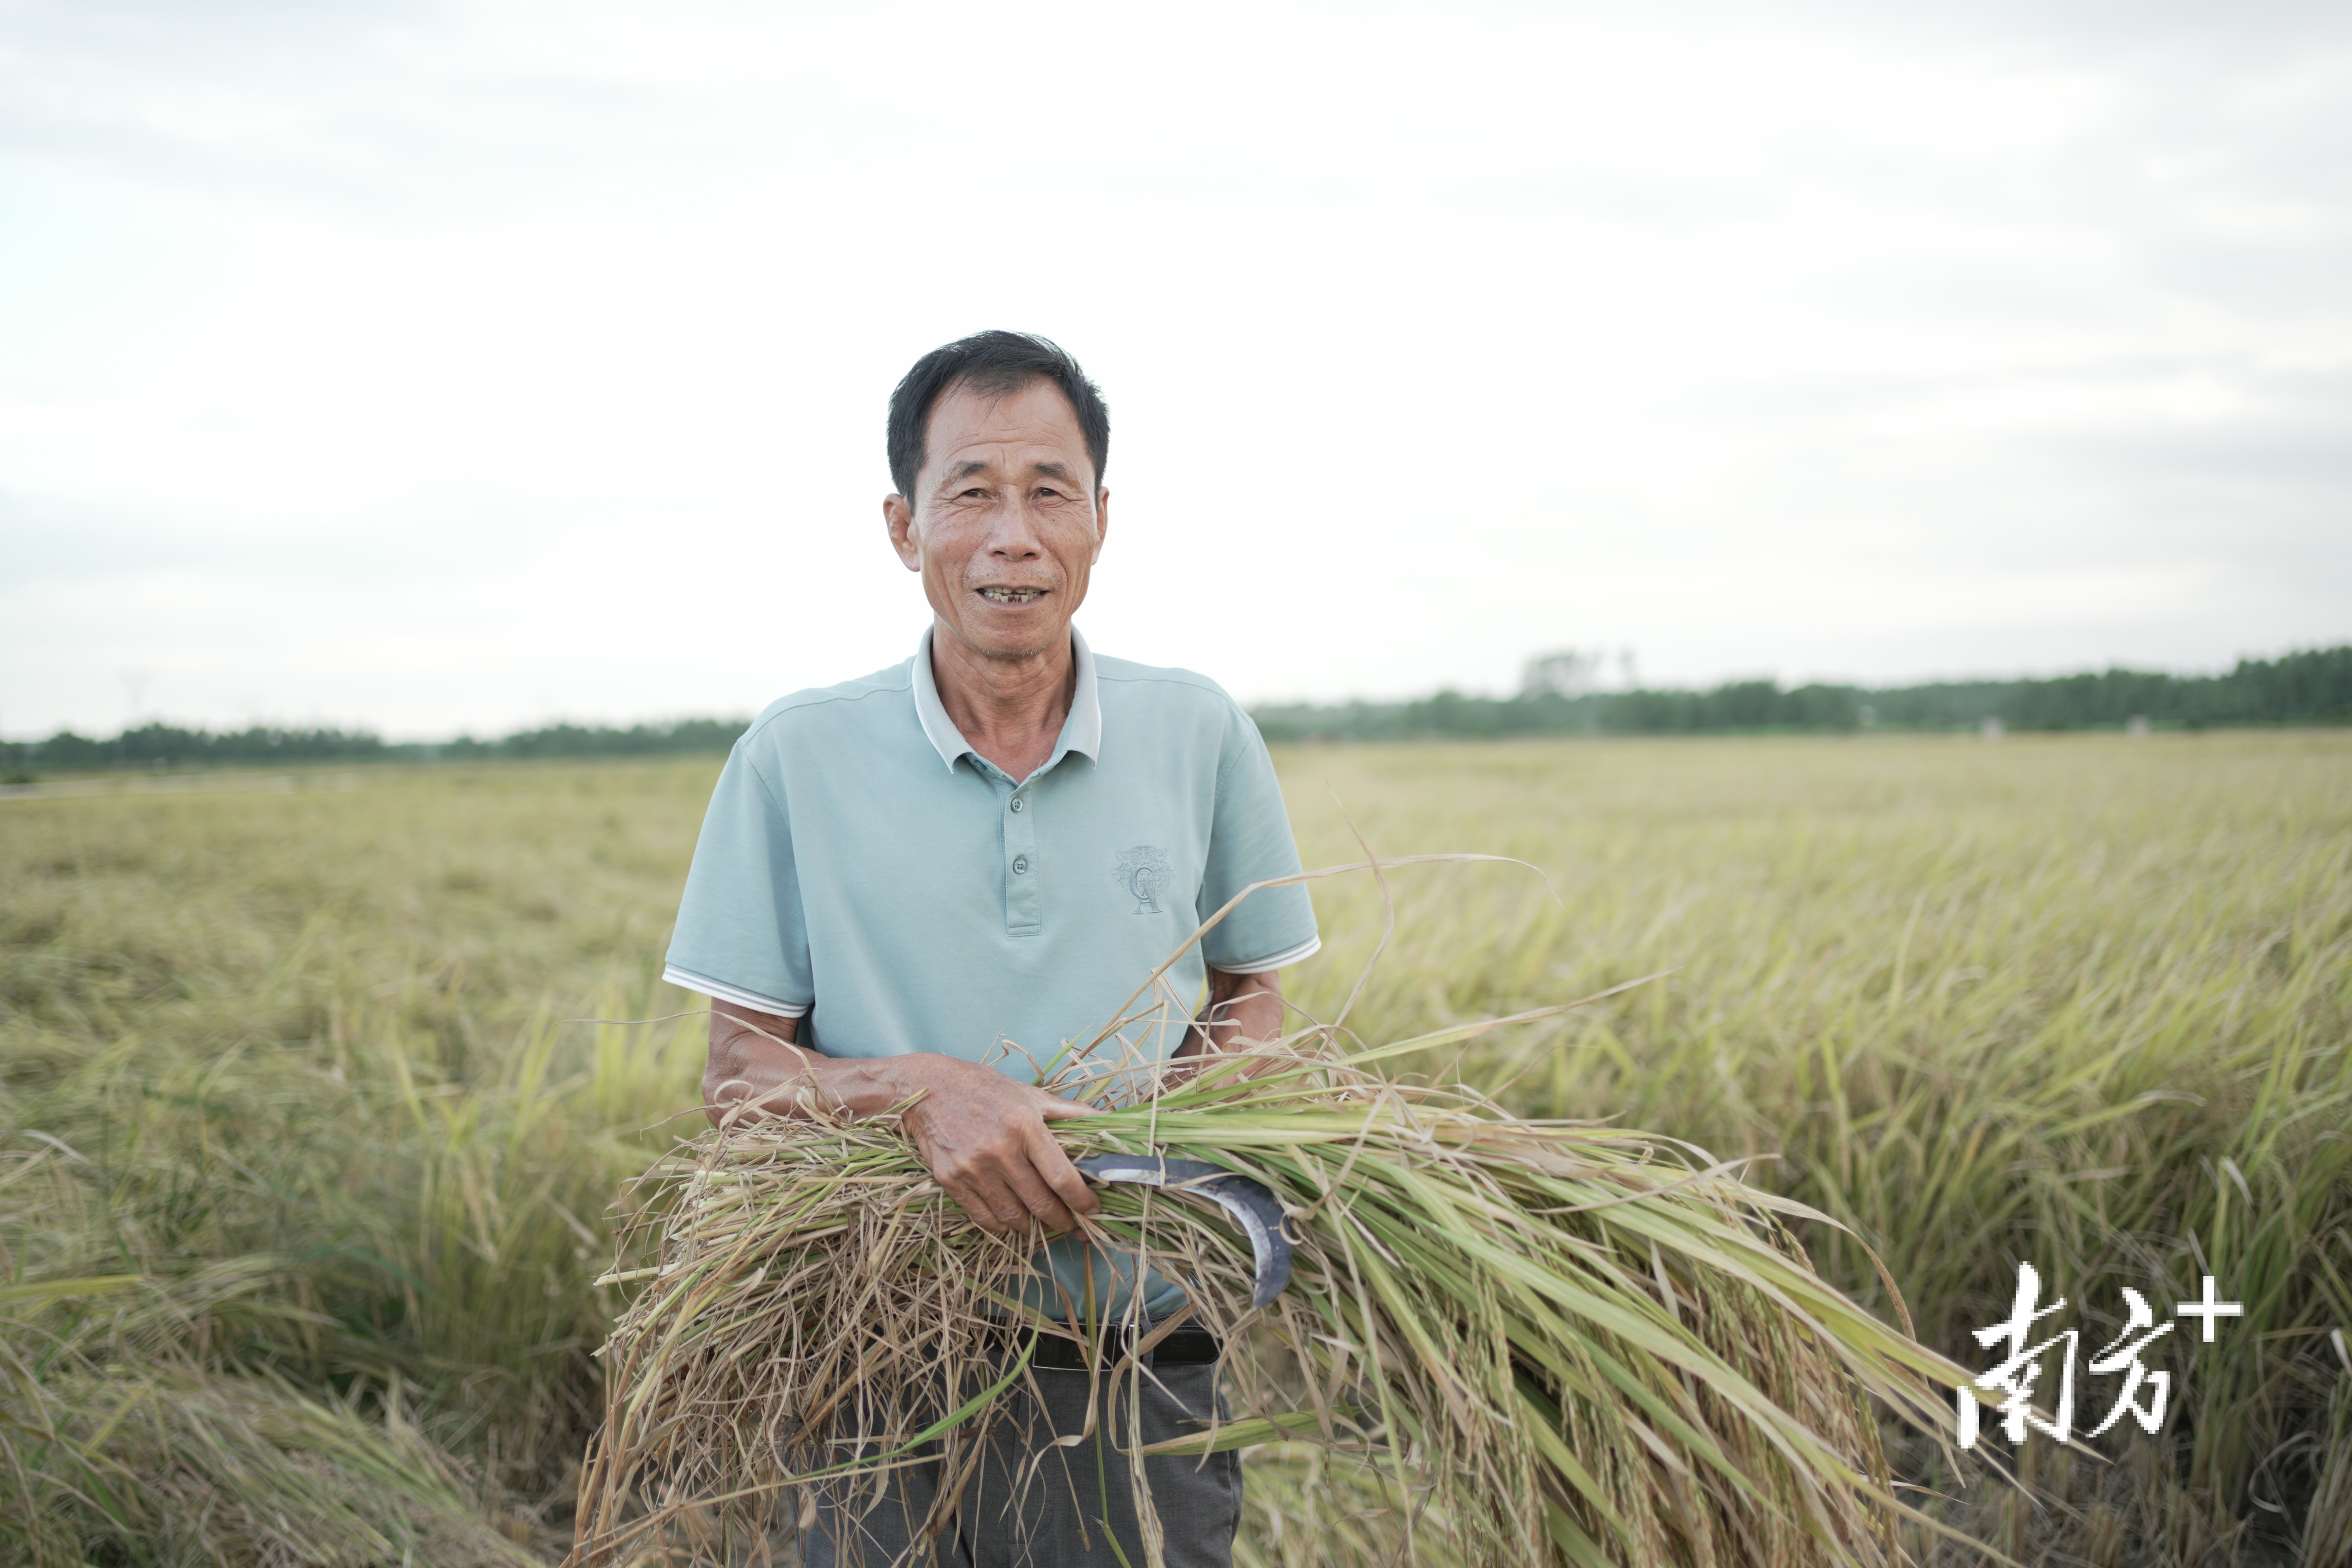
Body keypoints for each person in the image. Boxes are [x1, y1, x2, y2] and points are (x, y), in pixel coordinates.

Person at [660, 330, 1321, 1568]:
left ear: (1100, 522)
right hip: (875, 1358)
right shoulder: (796, 755)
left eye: (1049, 493)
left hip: (1140, 1351)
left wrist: (1210, 1098)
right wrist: (918, 1090)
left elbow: (1254, 995)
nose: (1013, 536)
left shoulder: (1200, 732)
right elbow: (740, 1083)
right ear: (905, 527)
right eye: (971, 493)